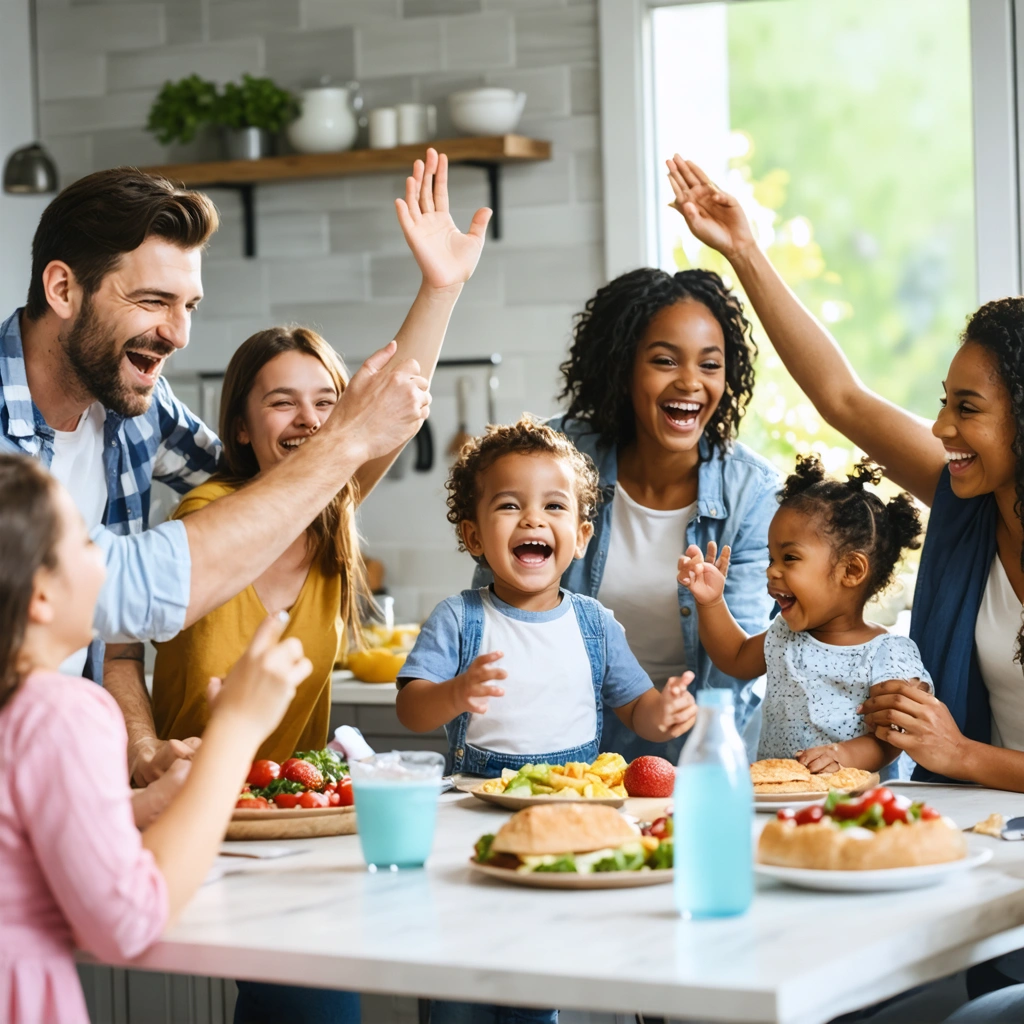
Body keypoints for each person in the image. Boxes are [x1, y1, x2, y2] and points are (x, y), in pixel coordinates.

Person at [2, 148, 484, 793]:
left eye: (189, 305)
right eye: (153, 301)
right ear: (63, 289)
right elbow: (126, 589)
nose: (178, 334)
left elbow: (298, 490)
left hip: (76, 778)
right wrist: (346, 435)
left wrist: (439, 292)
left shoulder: (134, 410)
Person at [665, 154, 1024, 1001]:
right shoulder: (969, 503)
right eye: (944, 401)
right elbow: (844, 400)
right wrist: (743, 249)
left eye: (967, 408)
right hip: (982, 833)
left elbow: (956, 753)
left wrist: (960, 754)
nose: (942, 427)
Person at [0, 453, 310, 1024]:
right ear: (41, 594)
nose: (106, 562)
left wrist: (140, 805)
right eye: (89, 544)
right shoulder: (61, 712)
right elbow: (127, 922)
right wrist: (237, 729)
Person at [502, 268, 779, 764]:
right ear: (623, 367)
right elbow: (500, 612)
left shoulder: (752, 493)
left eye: (710, 365)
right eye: (664, 360)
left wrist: (701, 767)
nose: (690, 382)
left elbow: (734, 668)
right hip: (561, 736)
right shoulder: (558, 459)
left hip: (694, 742)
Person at [397, 417, 697, 777]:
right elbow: (409, 712)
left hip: (573, 796)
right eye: (509, 506)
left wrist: (662, 715)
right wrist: (454, 694)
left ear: (581, 538)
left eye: (554, 506)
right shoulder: (457, 618)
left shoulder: (596, 625)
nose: (532, 520)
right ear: (474, 537)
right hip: (478, 797)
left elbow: (636, 709)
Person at [679, 454, 931, 772]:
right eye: (771, 559)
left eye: (789, 558)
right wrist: (711, 602)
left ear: (851, 570)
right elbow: (735, 657)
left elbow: (893, 735)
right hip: (781, 791)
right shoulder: (785, 634)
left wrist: (844, 755)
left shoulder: (886, 653)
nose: (772, 571)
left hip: (851, 797)